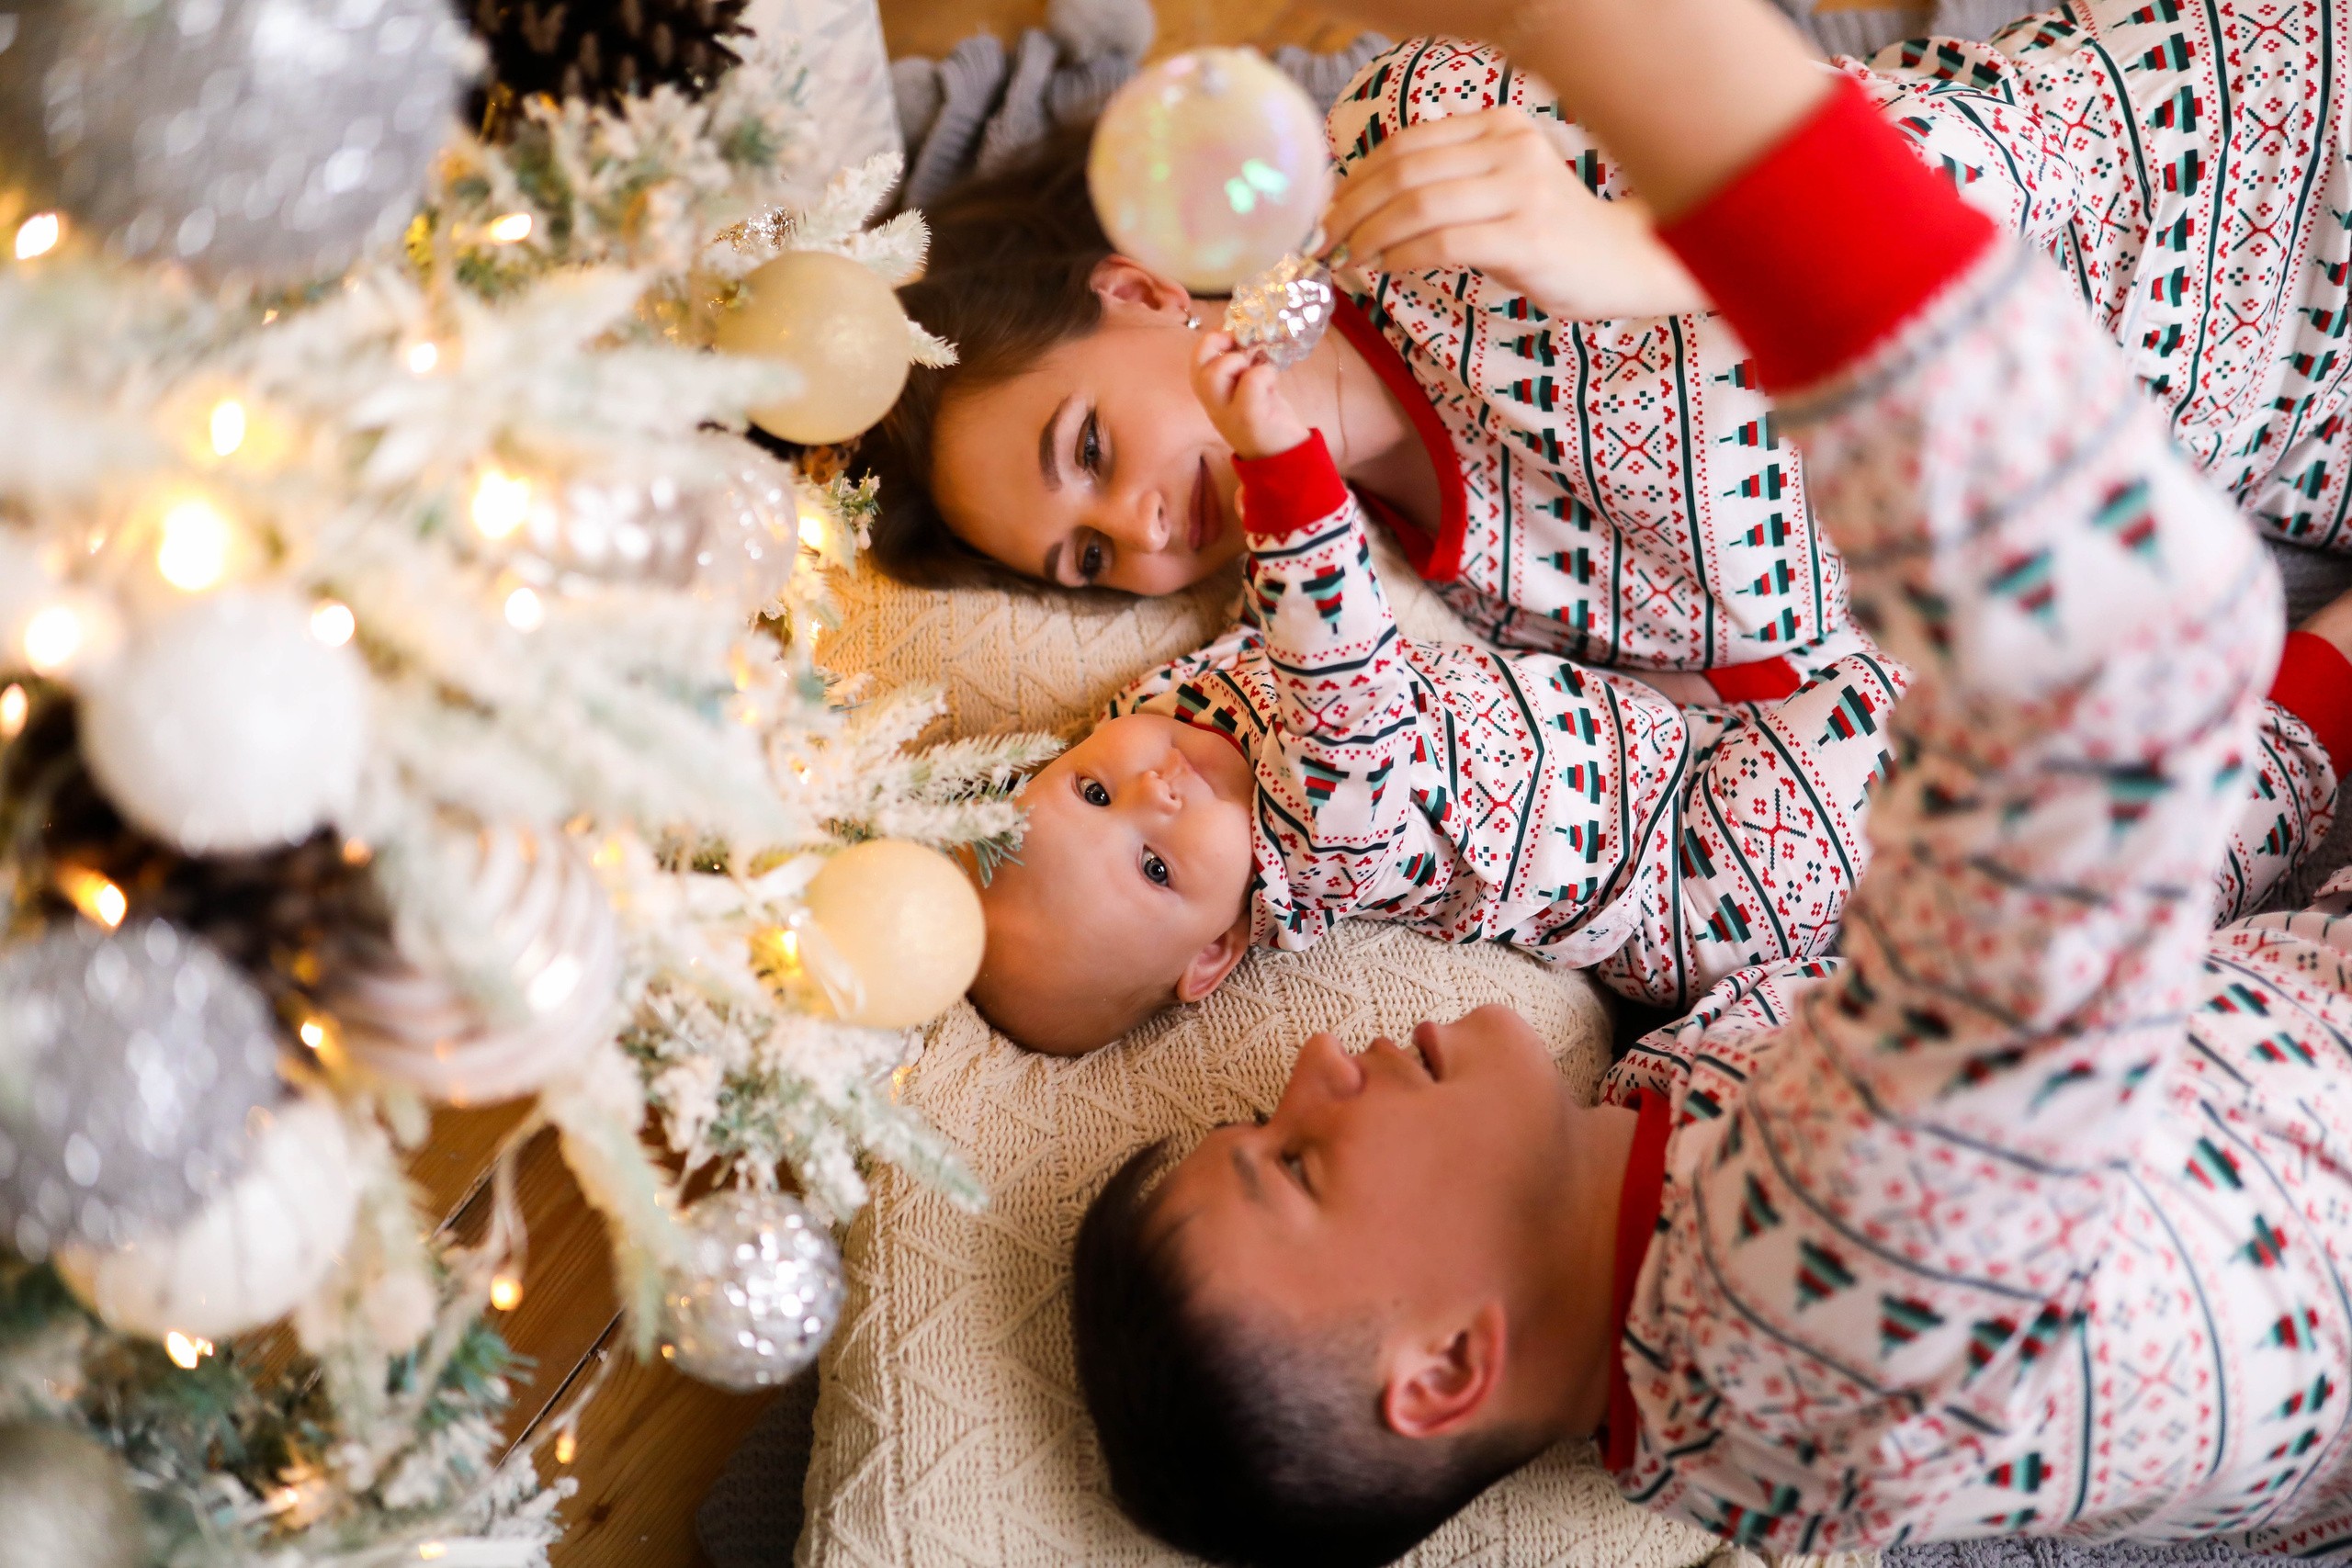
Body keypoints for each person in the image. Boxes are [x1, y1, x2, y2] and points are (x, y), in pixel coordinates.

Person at [1066, 0, 2352, 1564]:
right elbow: (2121, 669)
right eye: (1298, 1158)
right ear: (1450, 1367)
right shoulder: (1823, 1294)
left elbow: (2155, 865)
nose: (1325, 1059)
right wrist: (1665, 88)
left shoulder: (1682, 1242)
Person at [863, 0, 2352, 700]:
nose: (1137, 528)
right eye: (1086, 561)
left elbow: (1990, 148)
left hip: (2258, 181)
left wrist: (1647, 253)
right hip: (2278, 459)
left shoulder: (1413, 159)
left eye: (1090, 451)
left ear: (1136, 291)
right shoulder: (1441, 599)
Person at [969, 317, 2345, 1054]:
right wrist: (1279, 467)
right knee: (2052, 739)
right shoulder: (1328, 828)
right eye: (1157, 868)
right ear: (1217, 953)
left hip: (1695, 752)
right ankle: (2292, 694)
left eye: (1094, 786)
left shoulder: (1186, 727)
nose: (1152, 789)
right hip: (1725, 864)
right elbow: (1341, 671)